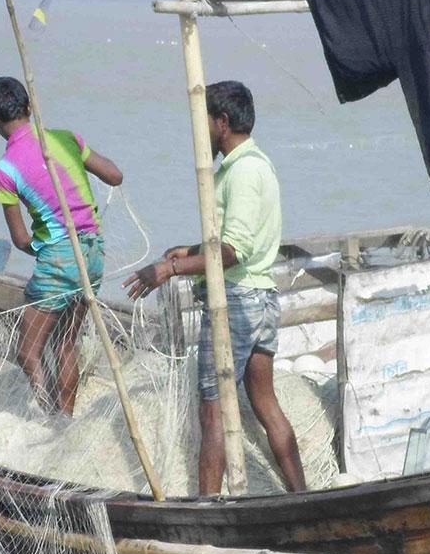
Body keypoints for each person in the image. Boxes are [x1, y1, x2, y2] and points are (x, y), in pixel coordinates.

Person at [122, 80, 307, 496]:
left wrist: (169, 270)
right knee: (265, 403)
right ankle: (301, 495)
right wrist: (185, 251)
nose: (198, 131)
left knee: (213, 410)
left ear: (222, 122)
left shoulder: (243, 171)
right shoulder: (254, 163)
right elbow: (234, 239)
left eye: (202, 121)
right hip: (262, 298)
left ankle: (206, 509)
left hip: (238, 302)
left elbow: (232, 251)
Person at [0, 76, 123, 416]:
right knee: (65, 344)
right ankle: (68, 416)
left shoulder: (5, 170)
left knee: (28, 351)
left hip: (59, 257)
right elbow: (115, 175)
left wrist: (42, 250)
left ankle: (51, 419)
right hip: (92, 251)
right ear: (30, 108)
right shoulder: (65, 139)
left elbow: (20, 240)